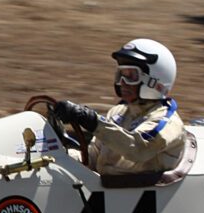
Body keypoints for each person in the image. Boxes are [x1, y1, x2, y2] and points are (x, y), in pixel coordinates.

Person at [54, 38, 186, 177]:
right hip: (106, 191)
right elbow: (92, 158)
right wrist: (60, 153)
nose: (122, 82)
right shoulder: (119, 112)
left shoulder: (167, 123)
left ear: (154, 81)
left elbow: (137, 149)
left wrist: (92, 121)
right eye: (121, 74)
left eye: (131, 76)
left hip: (135, 193)